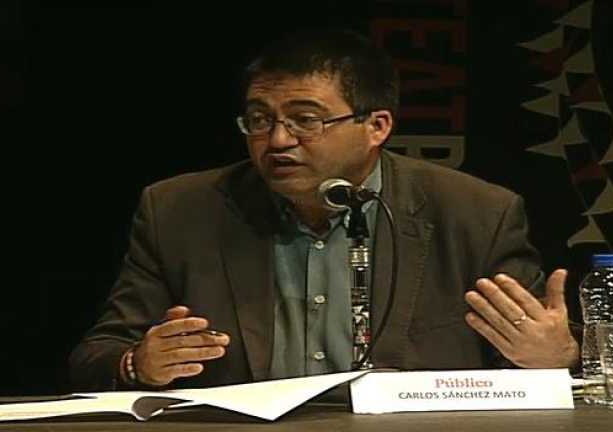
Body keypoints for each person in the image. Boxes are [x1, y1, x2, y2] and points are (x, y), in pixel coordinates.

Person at [69, 27, 580, 391]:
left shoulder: (474, 214)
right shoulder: (180, 211)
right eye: (259, 120)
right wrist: (139, 364)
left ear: (377, 126)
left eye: (306, 120)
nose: (278, 140)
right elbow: (97, 355)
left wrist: (557, 357)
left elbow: (544, 358)